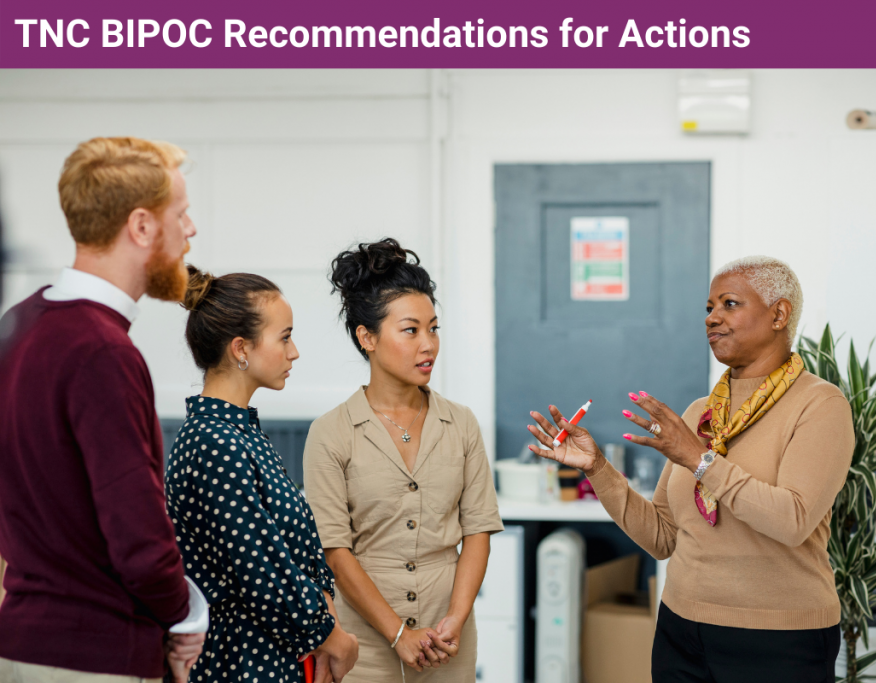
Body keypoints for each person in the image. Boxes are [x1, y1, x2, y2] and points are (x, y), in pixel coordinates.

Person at [529, 256, 855, 683]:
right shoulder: (701, 413)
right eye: (708, 308)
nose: (712, 318)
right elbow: (663, 536)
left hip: (779, 640)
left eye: (729, 304)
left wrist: (700, 460)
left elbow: (792, 520)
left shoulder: (820, 405)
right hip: (681, 631)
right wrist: (597, 468)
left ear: (779, 314)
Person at [0, 137, 205, 682]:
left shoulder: (18, 328)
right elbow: (139, 541)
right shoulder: (102, 353)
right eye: (180, 215)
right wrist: (187, 616)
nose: (190, 231)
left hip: (21, 645)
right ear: (141, 227)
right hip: (94, 657)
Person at [303, 238, 504, 682]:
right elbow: (335, 551)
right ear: (367, 337)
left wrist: (456, 617)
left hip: (447, 639)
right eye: (411, 330)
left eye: (434, 328)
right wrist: (398, 634)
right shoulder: (331, 432)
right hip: (364, 646)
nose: (428, 344)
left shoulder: (461, 423)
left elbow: (478, 531)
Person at [165, 267, 360, 683]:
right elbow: (259, 570)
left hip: (274, 654)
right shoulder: (214, 441)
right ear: (241, 349)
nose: (294, 353)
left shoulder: (239, 431)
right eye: (285, 337)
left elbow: (292, 549)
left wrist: (325, 616)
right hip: (239, 662)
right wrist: (333, 638)